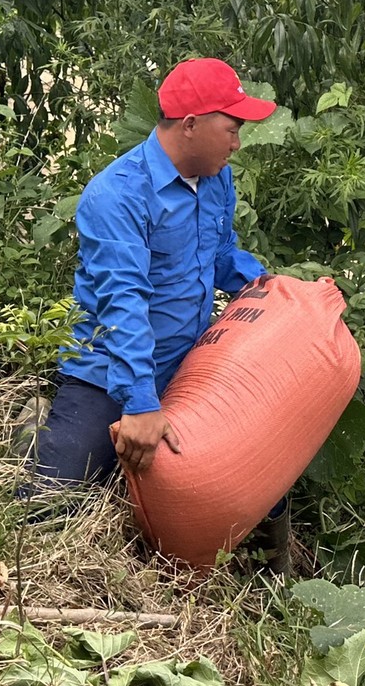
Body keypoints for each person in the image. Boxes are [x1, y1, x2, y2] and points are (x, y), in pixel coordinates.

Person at [27, 58, 274, 489]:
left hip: (187, 363)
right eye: (232, 130)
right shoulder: (118, 195)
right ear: (192, 125)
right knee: (53, 498)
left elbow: (221, 256)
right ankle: (34, 428)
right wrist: (140, 404)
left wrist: (272, 291)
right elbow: (123, 302)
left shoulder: (217, 179)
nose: (237, 144)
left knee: (250, 481)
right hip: (108, 371)